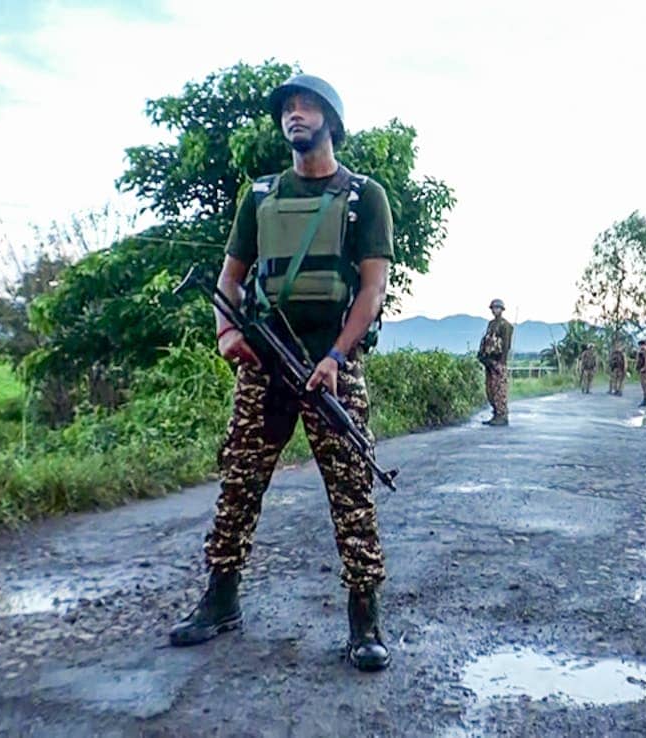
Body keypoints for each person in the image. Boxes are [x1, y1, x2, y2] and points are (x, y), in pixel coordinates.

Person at [168, 74, 393, 673]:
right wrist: (227, 333)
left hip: (331, 368)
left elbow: (372, 291)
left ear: (331, 119)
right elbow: (230, 276)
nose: (295, 115)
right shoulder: (261, 194)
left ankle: (364, 619)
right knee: (238, 485)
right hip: (264, 364)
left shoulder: (363, 196)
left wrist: (337, 358)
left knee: (351, 493)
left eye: (307, 105)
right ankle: (220, 602)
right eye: (288, 108)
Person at [477, 298, 513, 426]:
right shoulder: (491, 324)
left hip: (499, 361)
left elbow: (506, 345)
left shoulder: (505, 325)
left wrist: (501, 363)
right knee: (490, 389)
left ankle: (502, 415)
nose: (495, 310)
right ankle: (496, 413)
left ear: (502, 310)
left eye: (497, 308)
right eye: (493, 308)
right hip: (489, 360)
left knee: (500, 389)